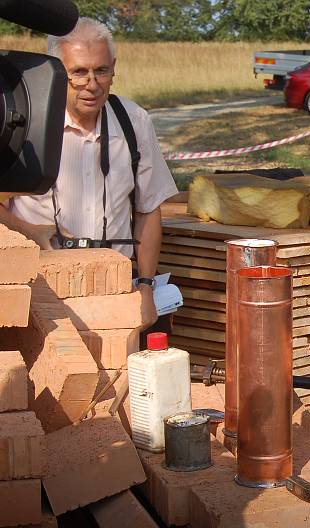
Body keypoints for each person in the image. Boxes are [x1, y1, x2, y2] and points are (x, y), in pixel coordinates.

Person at [0, 18, 178, 328]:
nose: (92, 84)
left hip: (117, 286)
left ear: (114, 67)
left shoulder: (134, 121)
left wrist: (146, 288)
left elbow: (148, 210)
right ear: (56, 71)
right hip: (42, 286)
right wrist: (31, 231)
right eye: (79, 72)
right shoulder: (24, 123)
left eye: (102, 71)